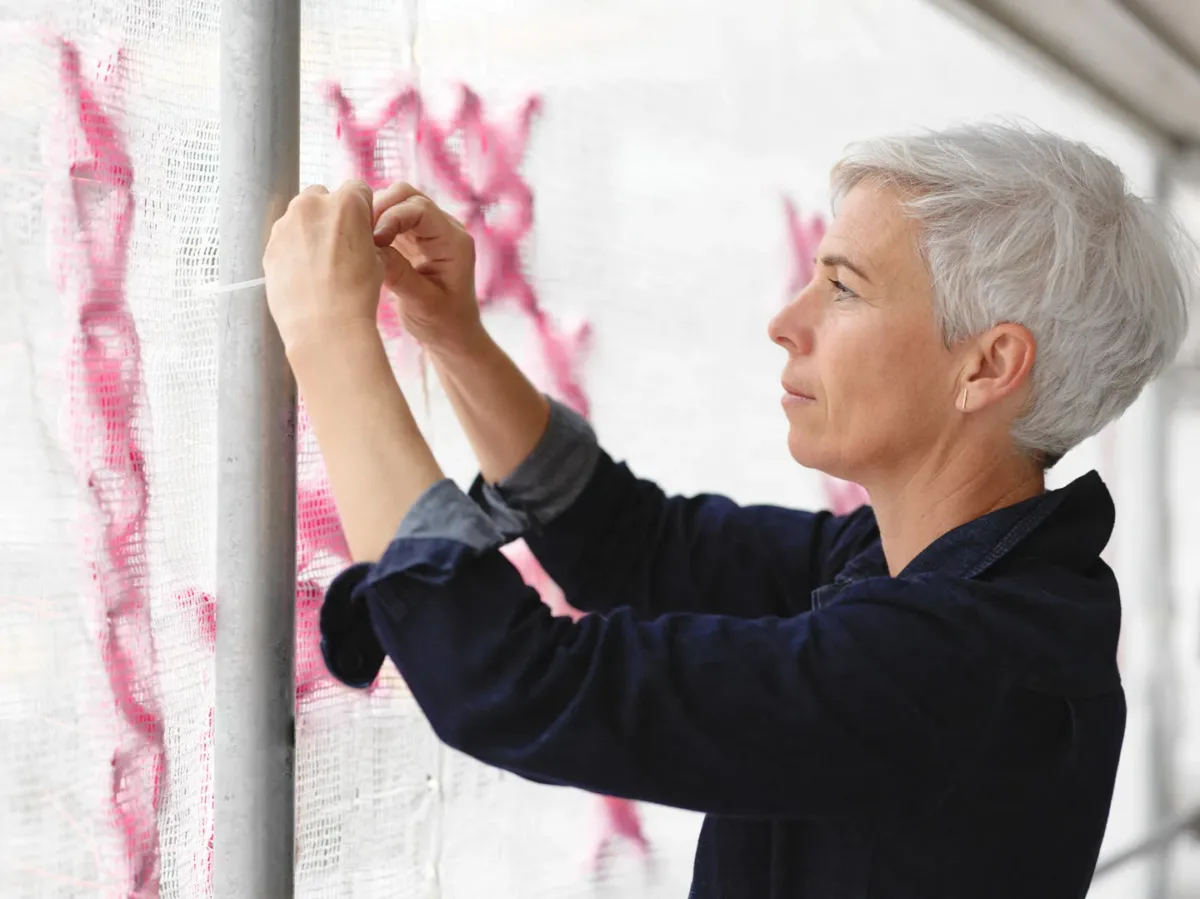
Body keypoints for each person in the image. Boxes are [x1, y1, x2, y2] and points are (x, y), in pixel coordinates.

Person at [262, 123, 1193, 898]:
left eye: (844, 288)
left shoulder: (959, 660)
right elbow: (638, 545)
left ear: (987, 366)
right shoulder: (948, 569)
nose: (788, 320)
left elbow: (516, 681)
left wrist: (332, 343)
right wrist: (449, 336)